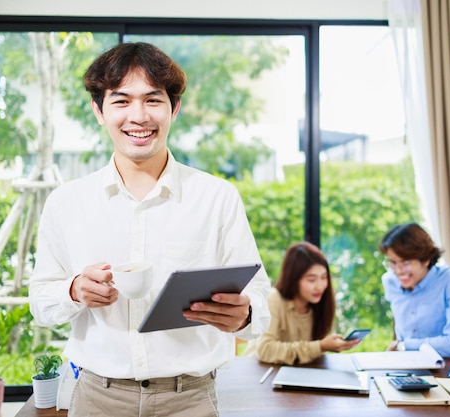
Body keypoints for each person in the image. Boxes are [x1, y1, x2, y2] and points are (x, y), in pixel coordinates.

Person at [28, 42, 271, 417]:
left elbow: (258, 294)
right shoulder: (67, 202)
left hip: (189, 399)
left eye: (153, 100)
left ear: (174, 108)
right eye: (121, 101)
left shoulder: (217, 196)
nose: (138, 117)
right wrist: (74, 289)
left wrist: (246, 314)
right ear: (98, 110)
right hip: (97, 397)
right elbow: (41, 303)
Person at [244, 242, 361, 365]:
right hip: (260, 373)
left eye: (324, 277)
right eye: (311, 280)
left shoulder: (320, 304)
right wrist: (320, 346)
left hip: (297, 373)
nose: (320, 286)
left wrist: (329, 345)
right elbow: (265, 350)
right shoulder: (274, 298)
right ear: (294, 279)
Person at [379, 222, 450, 358]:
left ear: (425, 259)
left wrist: (404, 346)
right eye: (393, 262)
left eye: (406, 262)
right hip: (404, 367)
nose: (398, 271)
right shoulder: (390, 281)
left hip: (446, 369)